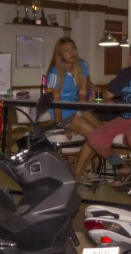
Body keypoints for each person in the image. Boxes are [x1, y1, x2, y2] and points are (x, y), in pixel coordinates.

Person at [76, 41, 131, 187]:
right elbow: (107, 96)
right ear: (129, 58)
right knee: (93, 138)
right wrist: (97, 97)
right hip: (125, 118)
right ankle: (123, 168)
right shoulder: (123, 74)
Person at [44, 38, 102, 180]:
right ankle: (78, 172)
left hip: (77, 107)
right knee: (95, 135)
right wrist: (60, 126)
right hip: (62, 112)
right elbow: (55, 103)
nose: (71, 53)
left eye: (73, 49)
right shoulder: (54, 73)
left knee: (102, 133)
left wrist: (81, 111)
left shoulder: (82, 65)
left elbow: (82, 93)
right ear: (59, 54)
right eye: (66, 50)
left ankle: (79, 170)